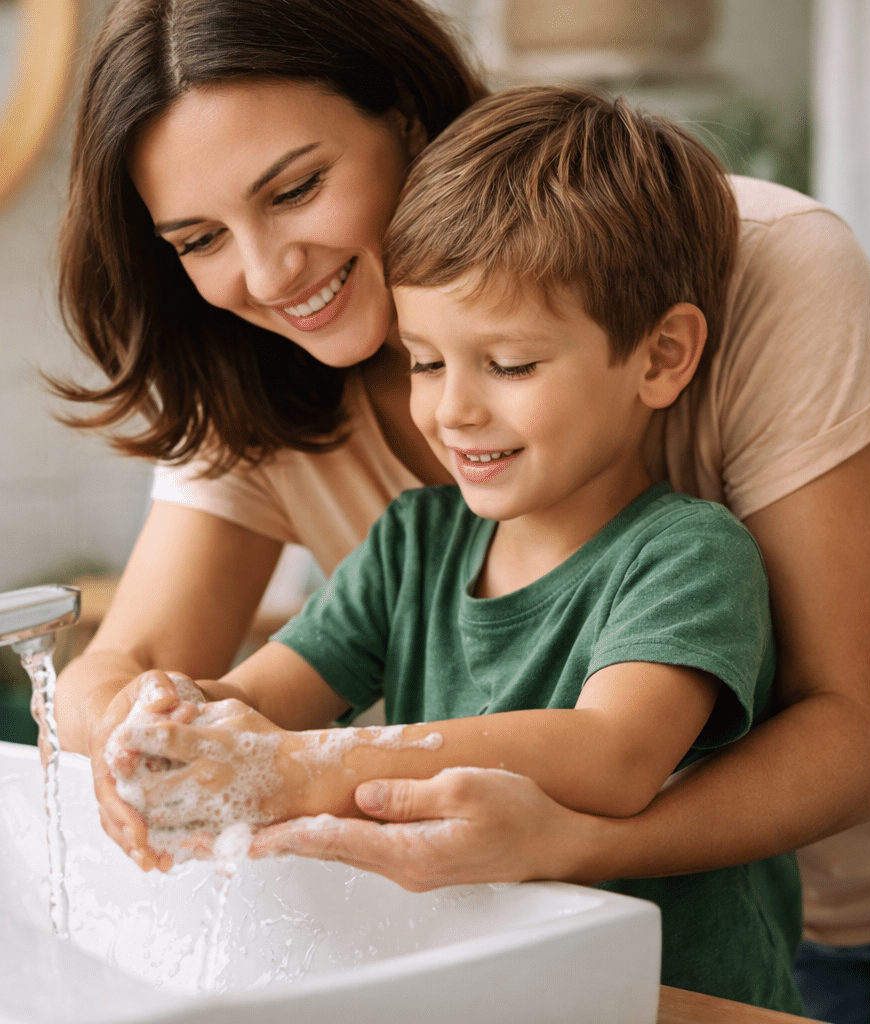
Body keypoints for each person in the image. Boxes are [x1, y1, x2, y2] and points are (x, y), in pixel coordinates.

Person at [51, 0, 870, 1020]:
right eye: (199, 237)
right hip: (638, 937)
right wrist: (159, 735)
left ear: (411, 119)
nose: (264, 271)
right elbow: (151, 668)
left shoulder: (751, 291)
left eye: (295, 188)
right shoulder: (351, 478)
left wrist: (300, 772)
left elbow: (805, 737)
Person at [105, 87, 804, 1010]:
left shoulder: (687, 555)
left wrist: (302, 769)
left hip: (672, 1003)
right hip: (491, 991)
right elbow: (261, 698)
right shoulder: (412, 543)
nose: (453, 409)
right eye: (425, 360)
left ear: (662, 355)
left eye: (509, 364)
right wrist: (180, 714)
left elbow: (612, 753)